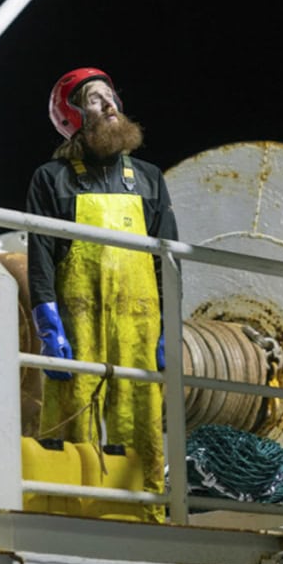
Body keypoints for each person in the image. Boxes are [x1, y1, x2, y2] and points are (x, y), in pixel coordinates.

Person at [26, 67, 178, 522]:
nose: (110, 104)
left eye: (111, 95)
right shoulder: (52, 179)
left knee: (141, 412)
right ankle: (74, 510)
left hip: (140, 319)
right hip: (77, 319)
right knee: (74, 406)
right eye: (94, 99)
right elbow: (41, 256)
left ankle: (146, 510)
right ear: (73, 118)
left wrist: (169, 324)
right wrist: (47, 324)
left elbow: (167, 258)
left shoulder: (149, 177)